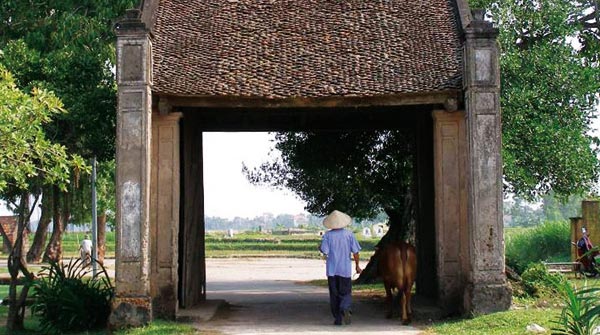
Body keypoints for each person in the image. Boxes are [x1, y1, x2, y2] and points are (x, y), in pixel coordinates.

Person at [318, 210, 362, 326]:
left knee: (334, 294)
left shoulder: (327, 235)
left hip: (332, 270)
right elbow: (356, 252)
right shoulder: (349, 235)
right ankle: (345, 308)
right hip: (345, 270)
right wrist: (357, 266)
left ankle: (337, 319)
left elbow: (325, 250)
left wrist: (320, 247)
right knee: (346, 292)